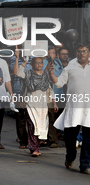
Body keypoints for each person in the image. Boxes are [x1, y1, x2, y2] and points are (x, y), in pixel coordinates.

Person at [51, 42, 90, 174]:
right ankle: (70, 157)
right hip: (73, 108)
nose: (82, 54)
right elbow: (59, 83)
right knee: (70, 137)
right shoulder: (70, 66)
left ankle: (85, 165)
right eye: (79, 51)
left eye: (84, 51)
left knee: (88, 139)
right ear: (76, 53)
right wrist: (52, 75)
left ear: (89, 52)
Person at [14, 54, 58, 157]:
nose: (39, 64)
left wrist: (54, 102)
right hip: (31, 103)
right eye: (36, 62)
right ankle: (33, 148)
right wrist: (24, 62)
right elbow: (18, 74)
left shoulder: (46, 75)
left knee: (42, 126)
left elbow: (49, 89)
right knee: (32, 126)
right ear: (32, 64)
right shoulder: (28, 73)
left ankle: (36, 146)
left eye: (40, 62)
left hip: (42, 105)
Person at [10, 44, 31, 149]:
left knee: (31, 118)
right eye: (23, 48)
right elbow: (15, 72)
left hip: (32, 93)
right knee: (20, 117)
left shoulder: (35, 59)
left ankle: (33, 141)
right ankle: (23, 140)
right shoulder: (14, 58)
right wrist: (18, 57)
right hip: (18, 92)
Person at [43, 46, 63, 148]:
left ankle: (55, 136)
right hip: (49, 94)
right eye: (50, 53)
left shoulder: (58, 63)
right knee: (50, 117)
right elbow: (43, 77)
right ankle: (51, 139)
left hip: (60, 93)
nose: (52, 55)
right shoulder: (44, 63)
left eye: (53, 53)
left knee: (58, 117)